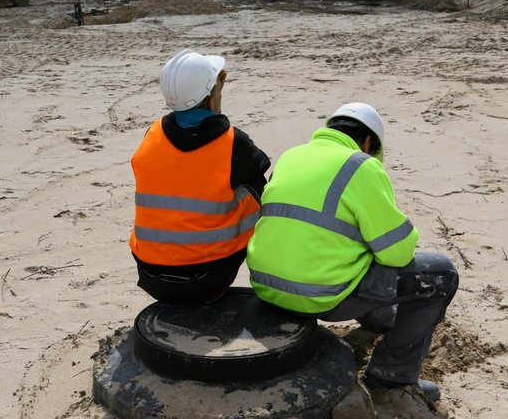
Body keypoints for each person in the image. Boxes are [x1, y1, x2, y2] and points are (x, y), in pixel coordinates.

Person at [247, 102, 459, 402]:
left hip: (266, 288)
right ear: (369, 141)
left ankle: (379, 320)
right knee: (441, 273)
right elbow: (398, 253)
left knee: (349, 247)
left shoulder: (291, 156)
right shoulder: (362, 165)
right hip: (319, 296)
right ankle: (392, 376)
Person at [130, 48, 270, 304]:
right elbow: (259, 168)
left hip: (151, 275)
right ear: (211, 95)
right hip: (207, 279)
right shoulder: (232, 142)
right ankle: (273, 275)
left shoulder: (151, 135)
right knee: (260, 190)